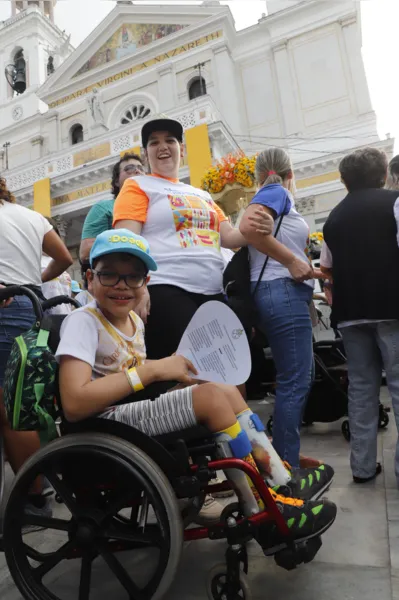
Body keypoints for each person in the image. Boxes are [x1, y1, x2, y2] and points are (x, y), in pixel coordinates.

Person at [56, 229, 336, 540]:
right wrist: (151, 372)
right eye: (109, 275)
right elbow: (74, 403)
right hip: (104, 424)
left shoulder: (133, 321)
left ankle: (279, 480)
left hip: (128, 413)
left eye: (133, 277)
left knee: (222, 388)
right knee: (210, 398)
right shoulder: (82, 321)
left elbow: (131, 371)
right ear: (90, 278)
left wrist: (170, 370)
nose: (122, 285)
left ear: (146, 283)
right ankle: (261, 508)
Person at [320, 147, 399, 485]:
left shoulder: (333, 219)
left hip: (351, 314)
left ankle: (363, 467)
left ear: (344, 181)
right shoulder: (393, 203)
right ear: (383, 174)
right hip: (392, 308)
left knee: (362, 389)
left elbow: (326, 269)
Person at [0, 177, 72, 518]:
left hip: (5, 305)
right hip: (34, 304)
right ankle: (38, 491)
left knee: (10, 406)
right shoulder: (28, 215)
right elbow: (63, 257)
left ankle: (33, 497)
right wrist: (32, 279)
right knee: (27, 398)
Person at [239, 148, 315, 469]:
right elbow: (250, 228)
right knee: (295, 381)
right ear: (290, 174)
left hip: (276, 293)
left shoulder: (272, 194)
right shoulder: (276, 191)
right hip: (282, 291)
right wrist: (292, 261)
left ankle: (283, 460)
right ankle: (285, 465)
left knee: (293, 379)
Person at [80, 152, 148, 318]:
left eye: (140, 168)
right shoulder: (105, 208)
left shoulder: (154, 205)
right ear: (117, 181)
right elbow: (85, 251)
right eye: (129, 169)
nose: (136, 171)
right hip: (124, 287)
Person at [41, 218, 73, 315]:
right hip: (46, 322)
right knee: (43, 331)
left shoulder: (61, 265)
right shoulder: (36, 263)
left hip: (62, 319)